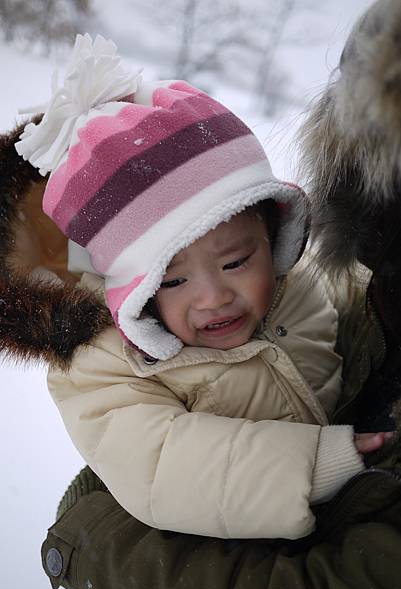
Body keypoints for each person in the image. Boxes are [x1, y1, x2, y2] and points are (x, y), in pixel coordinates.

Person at [12, 32, 391, 544]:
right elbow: (159, 464)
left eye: (236, 260)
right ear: (127, 288)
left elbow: (357, 303)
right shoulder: (103, 365)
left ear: (272, 235)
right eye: (170, 279)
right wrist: (310, 464)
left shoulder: (294, 283)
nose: (213, 296)